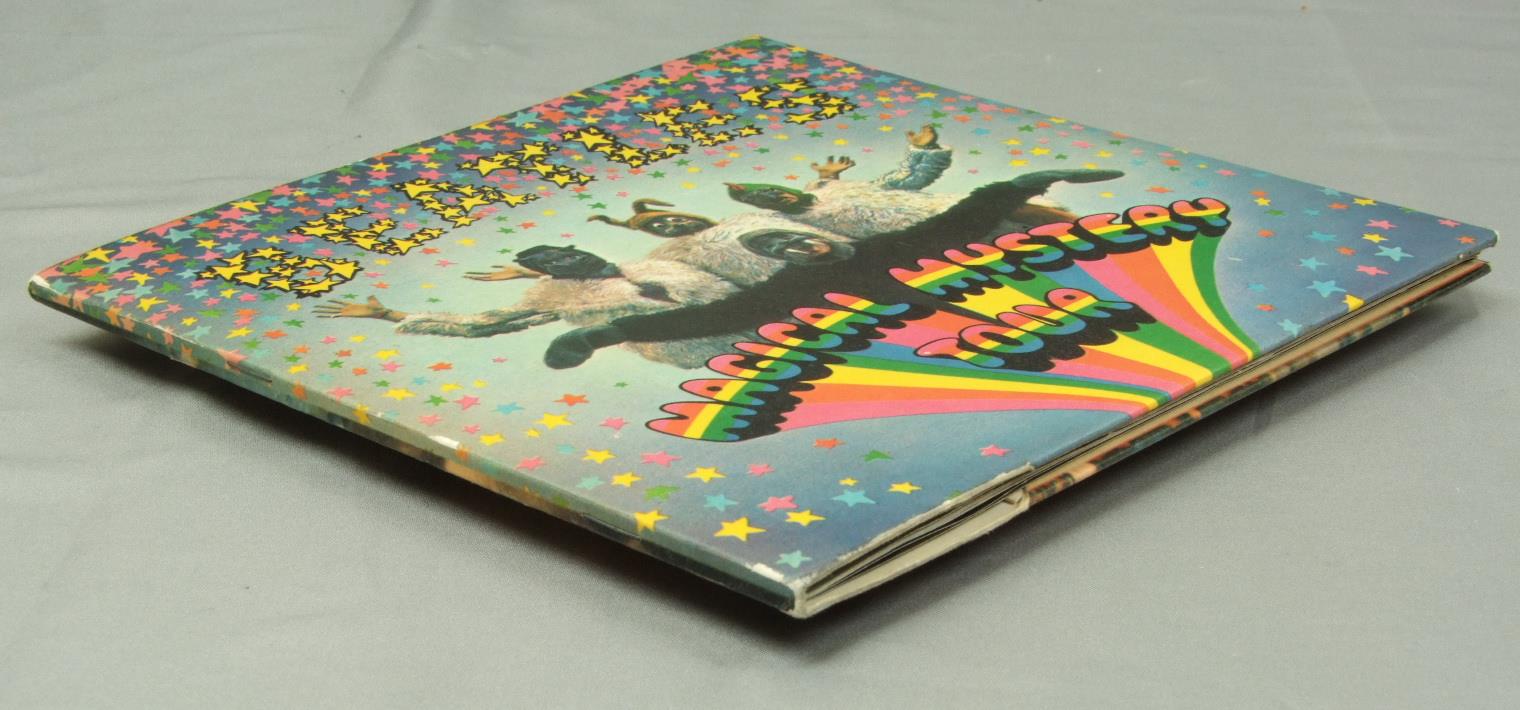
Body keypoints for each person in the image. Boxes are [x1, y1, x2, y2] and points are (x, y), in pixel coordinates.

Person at [541, 169, 1124, 369]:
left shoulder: (884, 247)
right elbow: (715, 316)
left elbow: (959, 220)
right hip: (932, 345)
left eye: (792, 238)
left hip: (1018, 307)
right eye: (779, 248)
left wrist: (1026, 183)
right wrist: (605, 333)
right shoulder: (793, 286)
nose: (794, 248)